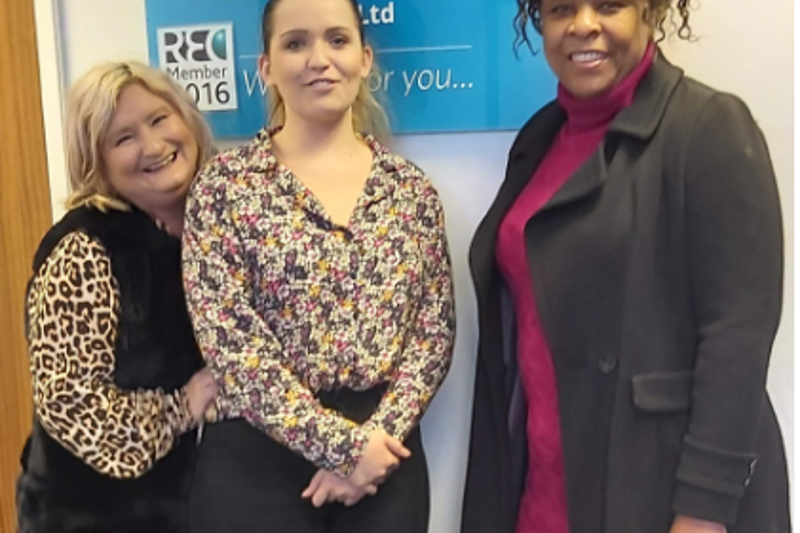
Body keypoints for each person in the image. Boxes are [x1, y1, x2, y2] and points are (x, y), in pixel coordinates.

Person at [461, 1, 790, 533]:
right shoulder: (538, 139)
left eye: (609, 5)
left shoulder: (708, 126)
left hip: (659, 496)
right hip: (543, 490)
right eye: (561, 9)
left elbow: (738, 338)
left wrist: (702, 516)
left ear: (649, 11)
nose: (583, 25)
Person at [181, 0, 456, 531]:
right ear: (266, 67)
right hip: (256, 463)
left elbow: (433, 336)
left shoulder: (410, 192)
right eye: (295, 43)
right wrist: (344, 450)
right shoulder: (224, 188)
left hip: (384, 458)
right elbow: (231, 344)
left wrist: (372, 448)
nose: (318, 59)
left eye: (337, 39)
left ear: (364, 58)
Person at [16, 60, 218, 533]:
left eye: (159, 119)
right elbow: (70, 402)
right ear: (96, 161)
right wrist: (180, 408)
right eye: (123, 138)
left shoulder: (217, 226)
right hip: (89, 517)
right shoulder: (83, 249)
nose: (153, 145)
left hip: (193, 508)